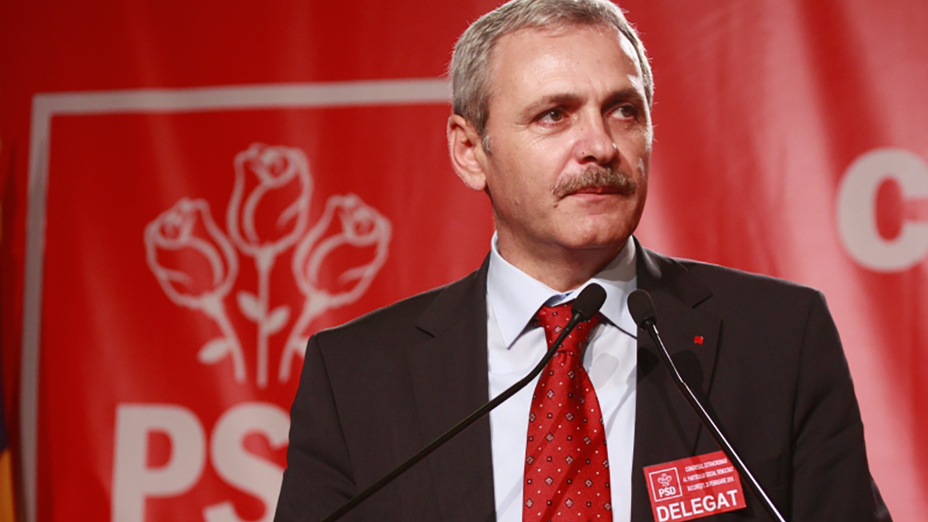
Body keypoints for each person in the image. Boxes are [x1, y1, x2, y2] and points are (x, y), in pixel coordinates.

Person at [275, 0, 890, 520]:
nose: (599, 145)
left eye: (624, 110)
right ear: (469, 151)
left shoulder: (780, 338)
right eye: (554, 115)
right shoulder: (355, 376)